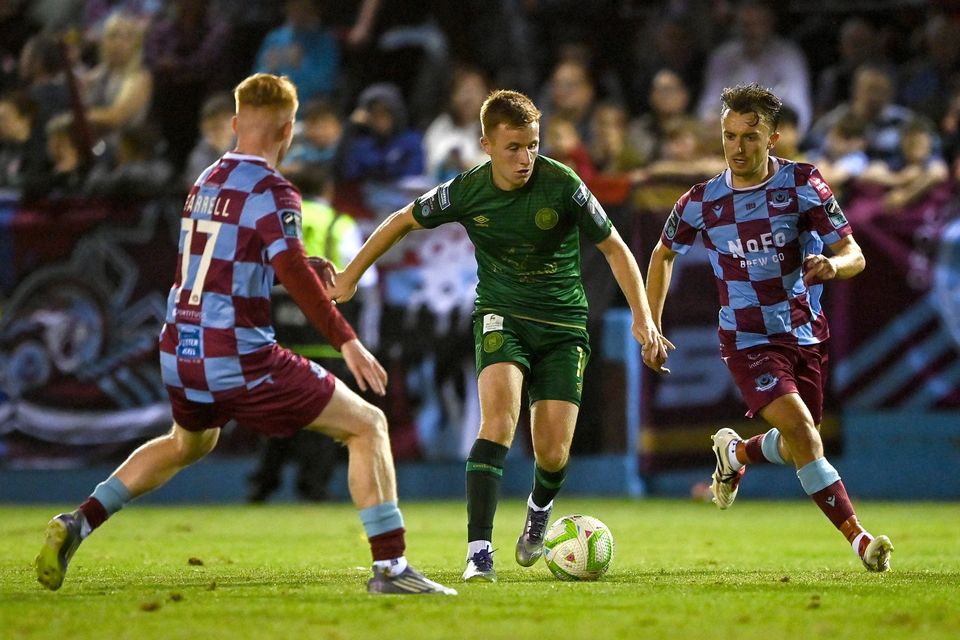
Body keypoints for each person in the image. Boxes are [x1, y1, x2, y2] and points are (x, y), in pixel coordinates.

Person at [34, 72, 456, 596]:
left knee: (187, 443)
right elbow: (296, 278)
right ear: (288, 130)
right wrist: (346, 338)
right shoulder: (274, 189)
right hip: (237, 353)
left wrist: (296, 261)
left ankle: (79, 520)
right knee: (366, 425)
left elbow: (224, 260)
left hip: (179, 345)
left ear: (235, 124)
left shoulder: (206, 179)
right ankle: (391, 569)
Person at [330, 89, 672, 583]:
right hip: (501, 317)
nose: (525, 158)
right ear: (486, 143)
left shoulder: (564, 184)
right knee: (498, 423)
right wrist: (351, 274)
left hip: (562, 326)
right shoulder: (467, 190)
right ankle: (479, 551)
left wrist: (642, 317)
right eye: (513, 147)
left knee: (553, 453)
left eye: (533, 145)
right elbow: (402, 221)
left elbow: (616, 249)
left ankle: (538, 511)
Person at [646, 83, 894, 572]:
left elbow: (854, 252)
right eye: (729, 136)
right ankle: (860, 541)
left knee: (803, 441)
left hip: (806, 332)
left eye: (750, 136)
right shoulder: (701, 201)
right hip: (745, 339)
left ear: (773, 138)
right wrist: (650, 324)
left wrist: (833, 266)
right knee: (803, 432)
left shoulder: (802, 184)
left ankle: (735, 452)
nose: (737, 148)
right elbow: (662, 253)